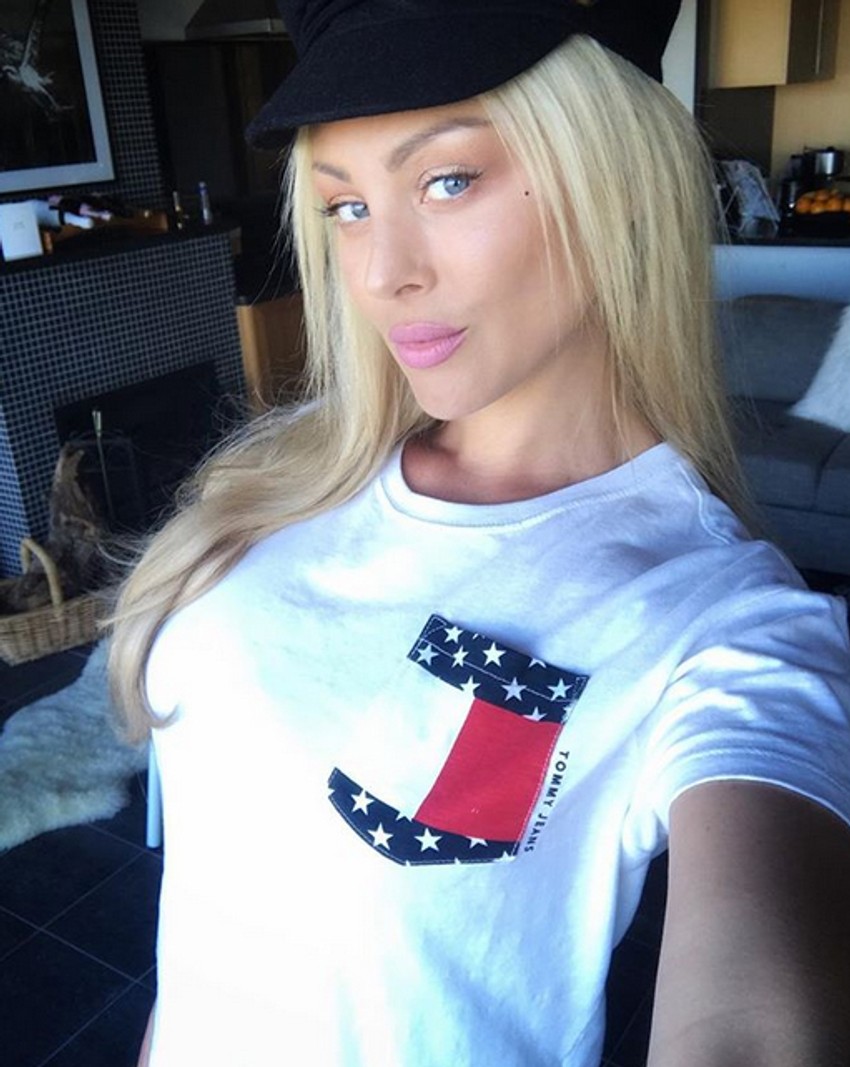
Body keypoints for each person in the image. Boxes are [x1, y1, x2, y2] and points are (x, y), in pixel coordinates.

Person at [111, 1, 850, 1064]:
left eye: (448, 181)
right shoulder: (277, 479)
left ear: (614, 177)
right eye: (346, 206)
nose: (382, 273)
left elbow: (747, 1021)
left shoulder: (722, 622)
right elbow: (217, 917)